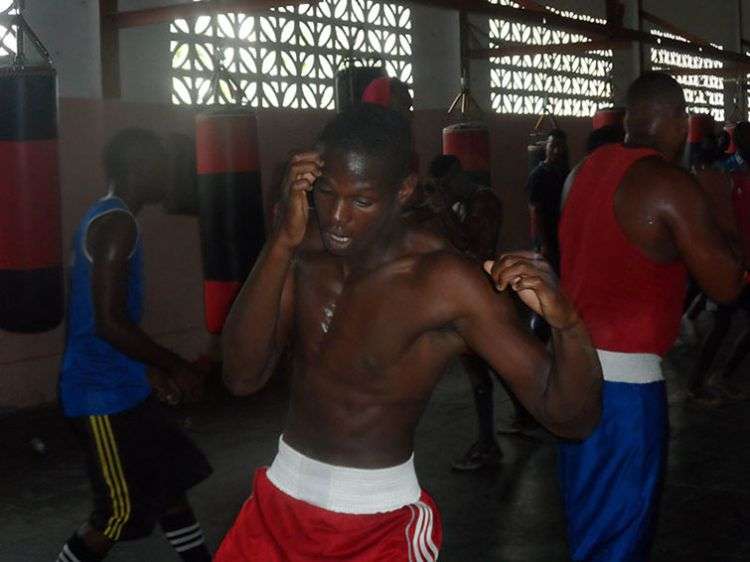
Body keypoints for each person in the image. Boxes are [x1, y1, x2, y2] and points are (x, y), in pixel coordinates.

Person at [215, 104, 602, 561]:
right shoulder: (301, 252)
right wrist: (280, 241)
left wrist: (568, 325)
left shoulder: (442, 281)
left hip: (376, 526)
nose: (338, 217)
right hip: (277, 503)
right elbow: (241, 377)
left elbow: (571, 419)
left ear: (402, 192)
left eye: (361, 200)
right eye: (326, 192)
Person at [557, 72, 746, 562]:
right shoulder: (667, 182)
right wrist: (721, 212)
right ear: (679, 122)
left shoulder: (583, 171)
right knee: (619, 538)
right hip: (625, 389)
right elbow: (726, 286)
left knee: (587, 524)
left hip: (569, 374)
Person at [56, 128, 213, 562]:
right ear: (140, 168)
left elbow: (92, 319)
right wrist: (175, 364)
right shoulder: (115, 224)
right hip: (99, 395)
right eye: (162, 164)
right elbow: (107, 323)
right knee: (117, 514)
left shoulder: (112, 217)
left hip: (122, 384)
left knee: (168, 485)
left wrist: (147, 370)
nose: (169, 174)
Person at [422, 155, 506, 471]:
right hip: (468, 295)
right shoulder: (459, 205)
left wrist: (443, 212)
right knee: (486, 365)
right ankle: (509, 427)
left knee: (480, 368)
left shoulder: (485, 201)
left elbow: (475, 249)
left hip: (483, 295)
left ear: (458, 176)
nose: (444, 192)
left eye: (445, 185)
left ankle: (488, 444)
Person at [688, 121, 750, 404]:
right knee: (722, 323)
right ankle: (699, 381)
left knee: (723, 324)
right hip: (732, 261)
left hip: (740, 261)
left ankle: (713, 378)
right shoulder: (725, 172)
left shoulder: (732, 171)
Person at [527, 129, 569, 274]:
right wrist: (543, 243)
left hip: (561, 238)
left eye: (560, 146)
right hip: (547, 239)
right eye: (553, 146)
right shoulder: (538, 176)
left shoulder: (564, 174)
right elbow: (535, 210)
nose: (556, 150)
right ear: (547, 147)